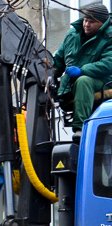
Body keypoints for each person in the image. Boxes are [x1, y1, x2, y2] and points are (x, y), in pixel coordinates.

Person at [53, 3, 112, 132]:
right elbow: (58, 60)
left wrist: (82, 70)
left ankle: (80, 128)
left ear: (102, 23)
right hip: (73, 86)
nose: (86, 24)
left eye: (91, 22)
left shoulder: (109, 37)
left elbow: (108, 64)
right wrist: (48, 75)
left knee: (83, 81)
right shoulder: (72, 35)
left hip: (104, 83)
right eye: (85, 20)